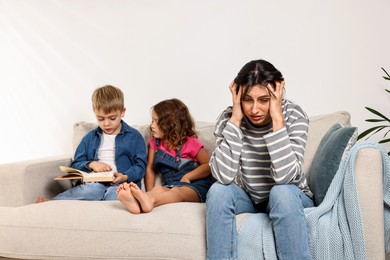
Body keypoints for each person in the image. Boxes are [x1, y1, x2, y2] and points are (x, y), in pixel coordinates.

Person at [206, 59, 314, 260]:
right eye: (248, 100)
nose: (254, 109)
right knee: (218, 191)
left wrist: (277, 119)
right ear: (238, 96)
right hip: (249, 199)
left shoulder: (293, 115)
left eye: (263, 100)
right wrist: (236, 119)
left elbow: (286, 178)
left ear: (277, 94)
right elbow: (222, 176)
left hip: (290, 197)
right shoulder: (228, 118)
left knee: (280, 192)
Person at [36, 85, 147, 202]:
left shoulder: (134, 136)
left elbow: (140, 166)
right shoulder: (90, 138)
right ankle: (54, 202)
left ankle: (108, 199)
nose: (106, 124)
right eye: (101, 119)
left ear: (122, 112)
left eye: (112, 118)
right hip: (95, 183)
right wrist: (91, 164)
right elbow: (76, 164)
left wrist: (124, 176)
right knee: (92, 190)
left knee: (115, 194)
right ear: (94, 113)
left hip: (122, 184)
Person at [116, 98, 214, 214]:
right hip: (170, 184)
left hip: (195, 185)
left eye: (156, 122)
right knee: (158, 190)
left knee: (177, 192)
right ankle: (140, 201)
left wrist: (188, 176)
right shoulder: (154, 144)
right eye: (152, 121)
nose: (152, 126)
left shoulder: (190, 142)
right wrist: (149, 191)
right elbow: (150, 169)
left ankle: (149, 201)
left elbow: (208, 165)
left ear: (171, 125)